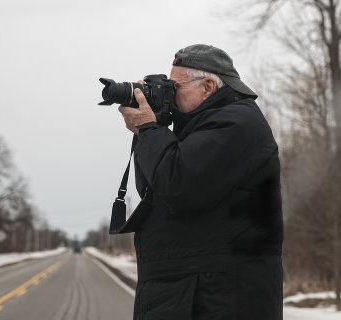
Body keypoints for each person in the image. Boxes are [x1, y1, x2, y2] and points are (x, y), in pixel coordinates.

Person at [118, 44, 283, 320]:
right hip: (190, 295)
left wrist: (149, 128)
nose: (169, 95)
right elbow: (153, 188)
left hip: (216, 300)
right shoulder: (196, 130)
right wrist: (150, 128)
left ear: (207, 87)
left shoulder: (237, 123)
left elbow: (178, 185)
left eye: (175, 87)